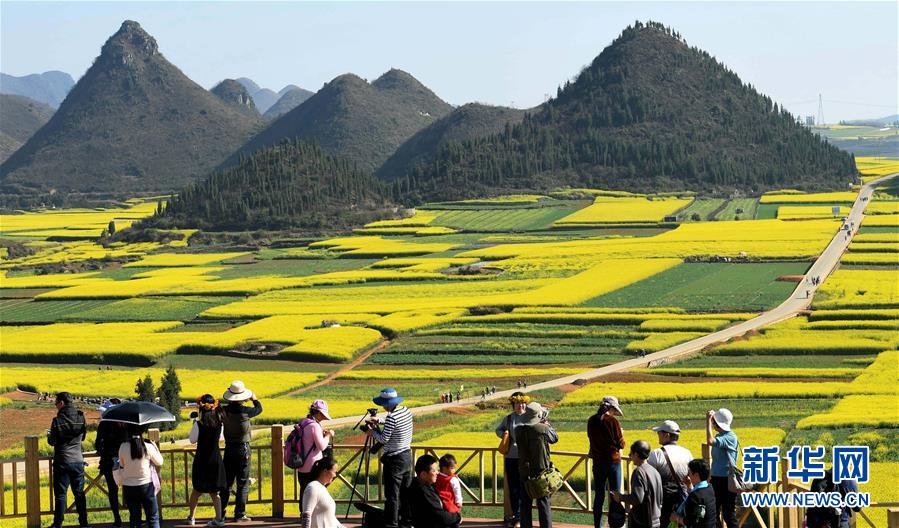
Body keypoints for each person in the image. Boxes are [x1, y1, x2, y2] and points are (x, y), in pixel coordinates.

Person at [365, 388, 413, 528]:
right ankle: (406, 522)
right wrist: (379, 420)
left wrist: (371, 432)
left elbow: (384, 438)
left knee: (392, 495)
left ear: (386, 404)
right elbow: (395, 423)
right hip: (406, 456)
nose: (382, 407)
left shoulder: (391, 417)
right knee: (405, 493)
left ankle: (391, 524)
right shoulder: (405, 410)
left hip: (394, 459)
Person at [220, 381, 263, 523]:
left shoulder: (224, 411)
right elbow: (259, 409)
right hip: (243, 449)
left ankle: (220, 512)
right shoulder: (246, 411)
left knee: (227, 483)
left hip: (229, 448)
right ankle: (239, 514)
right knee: (242, 483)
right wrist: (254, 398)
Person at [48, 392, 89, 528]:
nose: (55, 405)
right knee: (79, 494)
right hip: (77, 460)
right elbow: (82, 437)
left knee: (60, 495)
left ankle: (58, 524)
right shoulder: (81, 417)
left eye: (56, 403)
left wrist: (50, 435)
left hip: (62, 462)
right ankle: (84, 523)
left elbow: (52, 441)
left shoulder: (57, 421)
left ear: (62, 403)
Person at [515, 401, 558, 528]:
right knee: (543, 503)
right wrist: (547, 424)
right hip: (541, 471)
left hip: (524, 469)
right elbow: (554, 438)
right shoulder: (543, 429)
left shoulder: (519, 430)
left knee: (525, 503)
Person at [187, 395, 227, 527]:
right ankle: (219, 519)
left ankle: (191, 517)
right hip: (215, 460)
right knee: (215, 493)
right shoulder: (219, 425)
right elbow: (221, 439)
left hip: (201, 460)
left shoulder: (199, 424)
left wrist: (194, 425)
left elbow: (192, 440)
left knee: (196, 491)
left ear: (201, 411)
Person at [587, 395, 626, 528]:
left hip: (597, 463)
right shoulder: (613, 422)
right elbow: (621, 444)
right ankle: (615, 524)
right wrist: (621, 433)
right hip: (613, 462)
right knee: (615, 494)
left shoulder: (591, 420)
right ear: (611, 408)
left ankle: (597, 525)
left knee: (599, 495)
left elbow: (591, 439)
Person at [646, 420, 693, 527]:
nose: (658, 435)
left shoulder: (657, 453)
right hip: (682, 498)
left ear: (666, 435)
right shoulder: (687, 453)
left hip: (663, 500)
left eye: (659, 433)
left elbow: (649, 478)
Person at [118, 425, 164, 528]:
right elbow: (160, 462)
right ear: (142, 431)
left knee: (134, 519)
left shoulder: (123, 446)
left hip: (129, 487)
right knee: (152, 518)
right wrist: (155, 446)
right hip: (146, 485)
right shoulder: (148, 446)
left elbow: (122, 464)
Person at [495, 392, 529, 528]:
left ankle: (524, 517)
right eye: (517, 404)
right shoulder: (509, 419)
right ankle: (517, 516)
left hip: (526, 458)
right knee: (514, 488)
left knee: (526, 487)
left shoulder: (529, 417)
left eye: (522, 403)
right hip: (511, 457)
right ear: (513, 405)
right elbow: (498, 430)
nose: (520, 406)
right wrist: (505, 435)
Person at [293, 400, 335, 512]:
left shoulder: (303, 421)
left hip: (301, 463)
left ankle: (303, 516)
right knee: (313, 491)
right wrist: (328, 436)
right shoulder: (314, 426)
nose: (324, 417)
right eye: (323, 414)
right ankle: (311, 516)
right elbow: (321, 446)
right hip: (313, 465)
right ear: (319, 413)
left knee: (303, 491)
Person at [611, 440, 663, 528]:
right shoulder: (654, 470)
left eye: (631, 453)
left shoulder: (639, 472)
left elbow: (637, 498)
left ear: (636, 454)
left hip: (643, 521)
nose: (629, 456)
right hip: (656, 519)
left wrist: (620, 497)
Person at [406, 454, 462, 528]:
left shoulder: (424, 484)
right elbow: (440, 516)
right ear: (423, 474)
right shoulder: (423, 491)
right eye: (434, 471)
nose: (437, 473)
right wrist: (457, 517)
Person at [95, 402, 127, 527]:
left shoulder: (104, 424)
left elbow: (98, 444)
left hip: (109, 461)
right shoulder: (126, 423)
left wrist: (104, 452)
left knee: (112, 491)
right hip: (126, 460)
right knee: (129, 488)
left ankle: (117, 518)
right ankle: (135, 518)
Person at [706, 408, 738, 528]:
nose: (713, 424)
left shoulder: (730, 437)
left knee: (728, 514)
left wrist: (708, 420)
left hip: (726, 480)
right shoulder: (722, 435)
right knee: (713, 512)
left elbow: (710, 441)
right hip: (718, 479)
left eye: (715, 422)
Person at [301, 457, 346, 528]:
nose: (335, 475)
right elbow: (306, 516)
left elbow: (330, 517)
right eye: (334, 472)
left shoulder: (322, 488)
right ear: (325, 471)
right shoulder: (312, 487)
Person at [672, 459, 716, 528]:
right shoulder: (709, 487)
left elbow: (690, 522)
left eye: (689, 472)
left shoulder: (695, 496)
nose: (688, 475)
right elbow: (699, 498)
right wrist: (689, 485)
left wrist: (676, 518)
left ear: (696, 475)